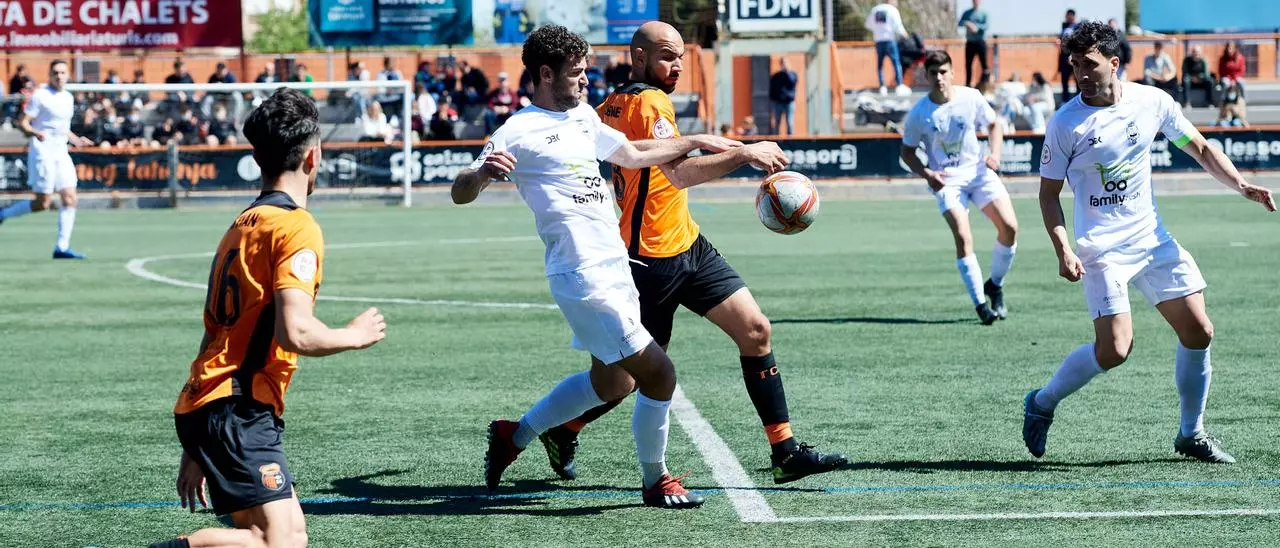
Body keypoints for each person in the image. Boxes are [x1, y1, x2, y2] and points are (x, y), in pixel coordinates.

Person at [535, 21, 845, 487]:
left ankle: (785, 450)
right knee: (630, 378)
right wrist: (745, 153)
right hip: (649, 261)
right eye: (667, 56)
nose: (677, 65)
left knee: (755, 330)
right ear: (639, 57)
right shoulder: (649, 102)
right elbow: (679, 174)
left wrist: (732, 147)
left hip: (688, 244)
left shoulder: (612, 103)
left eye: (680, 56)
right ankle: (563, 428)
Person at [452, 25, 743, 509]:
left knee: (611, 382)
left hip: (615, 267)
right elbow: (460, 191)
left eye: (586, 70)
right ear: (546, 74)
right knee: (659, 374)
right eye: (576, 72)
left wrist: (696, 140)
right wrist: (481, 173)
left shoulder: (584, 116)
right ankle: (656, 481)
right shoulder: (517, 130)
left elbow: (632, 153)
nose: (586, 79)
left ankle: (512, 436)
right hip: (581, 274)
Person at [1023, 21, 1276, 464]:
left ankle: (1191, 433)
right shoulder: (1065, 123)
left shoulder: (1152, 101)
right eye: (1075, 64)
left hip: (1152, 239)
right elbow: (1048, 196)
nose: (1081, 73)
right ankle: (1042, 402)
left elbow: (1200, 148)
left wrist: (1241, 185)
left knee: (1199, 331)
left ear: (1114, 62)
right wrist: (1063, 248)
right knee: (1115, 351)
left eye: (1090, 64)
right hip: (1102, 249)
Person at [146, 88, 387, 548]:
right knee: (276, 542)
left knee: (288, 537)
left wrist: (197, 440)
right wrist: (354, 335)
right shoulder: (296, 226)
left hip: (214, 402)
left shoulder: (243, 223)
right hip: (238, 407)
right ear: (314, 157)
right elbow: (295, 331)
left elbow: (215, 334)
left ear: (257, 159)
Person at [900, 50, 1018, 325]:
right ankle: (981, 306)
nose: (939, 78)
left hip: (978, 172)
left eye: (943, 72)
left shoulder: (971, 97)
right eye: (933, 73)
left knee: (1010, 228)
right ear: (926, 76)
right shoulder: (919, 113)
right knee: (964, 237)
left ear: (953, 73)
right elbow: (907, 152)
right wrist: (927, 174)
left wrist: (995, 154)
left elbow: (993, 125)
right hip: (947, 181)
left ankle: (995, 285)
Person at [0, 60, 94, 258]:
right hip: (43, 152)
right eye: (55, 73)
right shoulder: (40, 95)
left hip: (61, 152)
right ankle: (3, 214)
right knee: (43, 203)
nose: (59, 76)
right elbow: (23, 123)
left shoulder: (68, 97)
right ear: (49, 75)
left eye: (63, 72)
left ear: (68, 75)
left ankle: (62, 247)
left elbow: (63, 128)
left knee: (70, 197)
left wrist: (76, 140)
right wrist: (35, 132)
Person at [866, 0, 911, 96]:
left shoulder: (875, 10)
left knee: (880, 65)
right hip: (890, 40)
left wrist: (878, 31)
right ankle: (899, 85)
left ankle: (882, 87)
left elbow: (868, 24)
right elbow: (898, 26)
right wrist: (905, 35)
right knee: (896, 63)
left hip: (878, 41)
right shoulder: (892, 9)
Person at [958, 0, 989, 88]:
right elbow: (960, 23)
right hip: (970, 42)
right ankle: (968, 84)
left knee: (984, 64)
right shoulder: (967, 13)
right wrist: (966, 23)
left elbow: (986, 25)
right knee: (968, 64)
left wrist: (976, 27)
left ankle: (984, 83)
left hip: (980, 42)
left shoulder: (984, 13)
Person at [769, 58, 798, 135]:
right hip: (778, 103)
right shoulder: (776, 76)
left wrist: (787, 72)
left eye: (786, 63)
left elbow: (792, 82)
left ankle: (790, 139)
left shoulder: (793, 74)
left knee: (789, 122)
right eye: (783, 63)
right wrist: (773, 99)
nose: (784, 65)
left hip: (789, 102)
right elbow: (772, 88)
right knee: (777, 122)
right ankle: (776, 138)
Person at [1056, 9, 1079, 100]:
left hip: (1074, 56)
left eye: (1070, 16)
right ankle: (1065, 99)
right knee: (1064, 79)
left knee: (1078, 79)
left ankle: (1079, 97)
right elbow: (1060, 38)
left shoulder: (1078, 26)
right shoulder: (1064, 26)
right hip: (1064, 57)